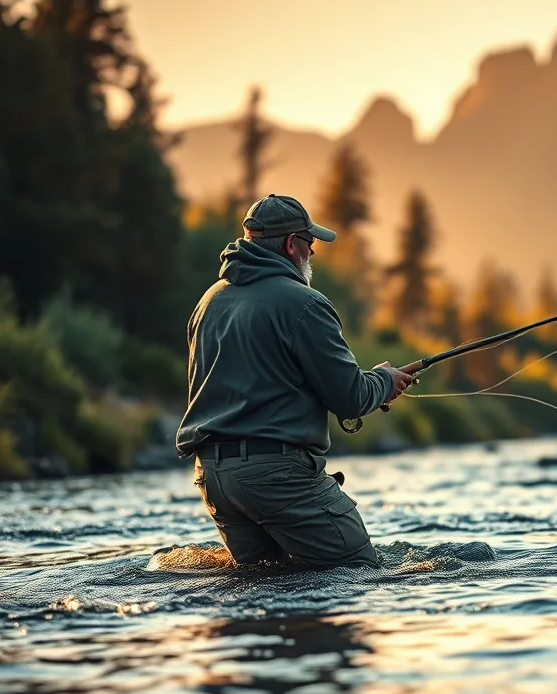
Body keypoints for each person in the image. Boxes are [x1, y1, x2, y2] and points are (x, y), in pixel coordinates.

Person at [175, 193, 413, 569]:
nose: (312, 254)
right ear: (291, 244)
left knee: (267, 585)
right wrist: (384, 381)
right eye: (310, 244)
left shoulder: (209, 302)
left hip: (214, 478)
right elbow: (350, 398)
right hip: (277, 475)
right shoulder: (304, 303)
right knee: (359, 570)